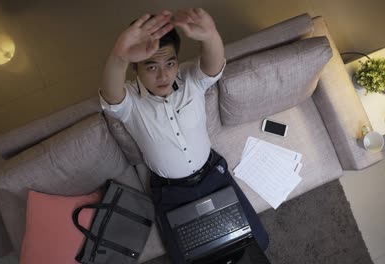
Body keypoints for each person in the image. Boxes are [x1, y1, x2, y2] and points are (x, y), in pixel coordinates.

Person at [99, 8, 269, 263]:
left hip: (212, 175)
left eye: (169, 63)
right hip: (171, 192)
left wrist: (210, 34)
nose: (163, 74)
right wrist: (119, 55)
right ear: (136, 68)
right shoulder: (130, 102)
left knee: (255, 243)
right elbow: (110, 97)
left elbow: (213, 67)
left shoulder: (190, 78)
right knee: (192, 258)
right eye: (151, 66)